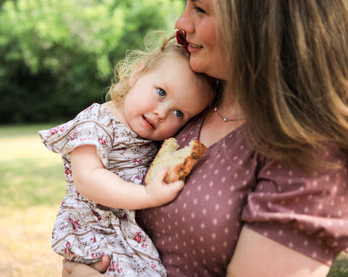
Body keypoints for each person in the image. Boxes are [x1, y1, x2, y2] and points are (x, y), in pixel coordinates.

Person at [62, 0, 348, 276]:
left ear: (260, 24)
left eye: (200, 8)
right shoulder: (195, 102)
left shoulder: (308, 153)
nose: (181, 22)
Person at [39, 34, 214, 276]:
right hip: (100, 236)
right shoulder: (98, 123)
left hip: (129, 236)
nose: (162, 112)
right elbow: (87, 178)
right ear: (137, 74)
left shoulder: (154, 139)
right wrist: (146, 195)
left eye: (179, 113)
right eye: (161, 92)